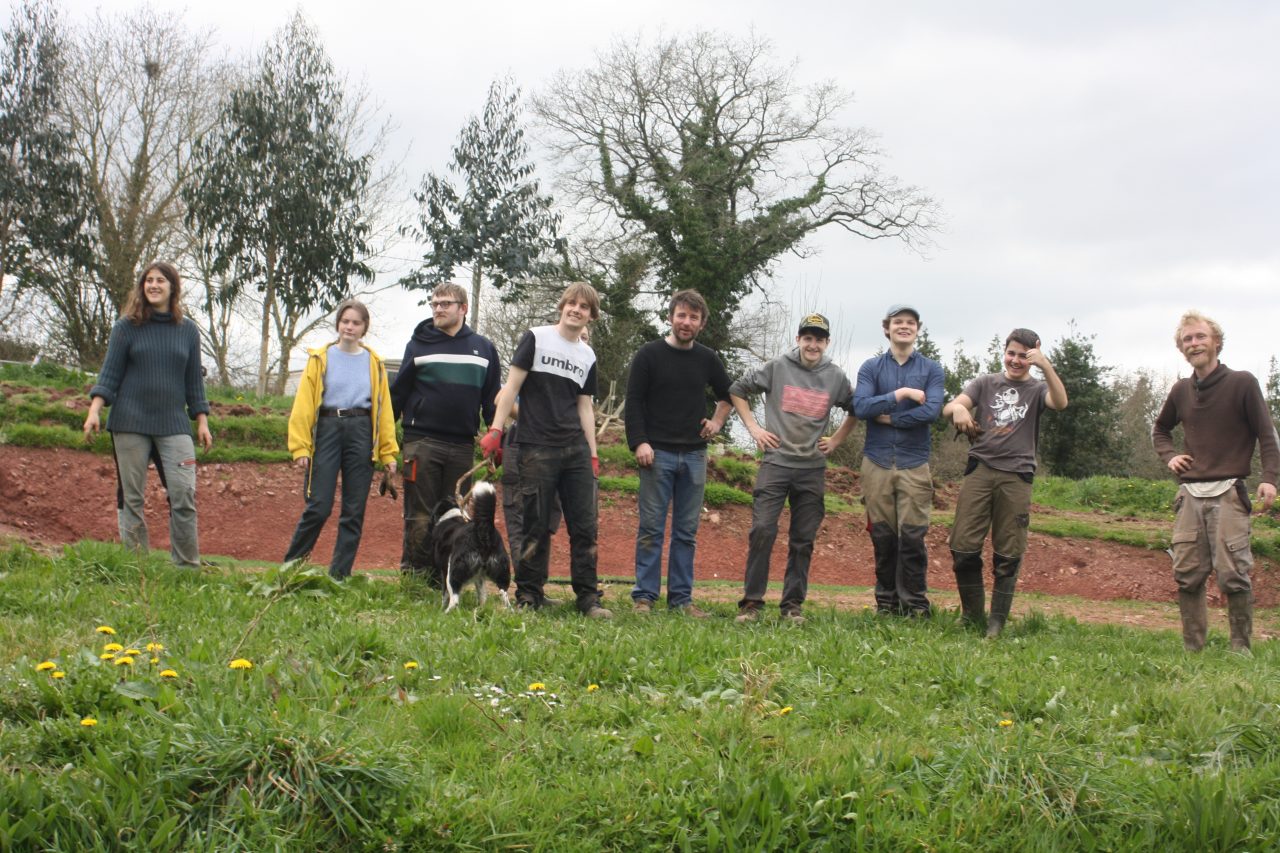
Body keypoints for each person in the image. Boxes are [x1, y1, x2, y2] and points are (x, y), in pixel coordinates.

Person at [480, 282, 611, 619]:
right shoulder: (536, 338)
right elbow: (511, 388)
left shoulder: (587, 355)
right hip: (535, 447)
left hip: (575, 450)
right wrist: (495, 430)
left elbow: (585, 407)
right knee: (534, 523)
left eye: (584, 307)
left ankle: (587, 598)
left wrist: (593, 453)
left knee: (585, 526)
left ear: (591, 316)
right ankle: (529, 594)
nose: (576, 310)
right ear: (562, 306)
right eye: (571, 303)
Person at [1152, 311, 1278, 652]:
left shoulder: (1242, 383)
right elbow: (1160, 429)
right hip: (1189, 495)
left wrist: (1269, 479)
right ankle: (1193, 648)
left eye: (1200, 337)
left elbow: (1267, 435)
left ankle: (1241, 649)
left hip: (1230, 493)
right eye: (1188, 339)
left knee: (1234, 574)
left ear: (1216, 342)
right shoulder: (1180, 390)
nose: (1194, 344)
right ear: (1181, 348)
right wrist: (1169, 456)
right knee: (1187, 574)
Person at [83, 261, 213, 568]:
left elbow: (194, 381)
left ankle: (186, 567)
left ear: (172, 287)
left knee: (184, 493)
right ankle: (136, 566)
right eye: (148, 280)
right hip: (129, 424)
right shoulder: (126, 327)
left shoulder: (188, 331)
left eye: (160, 280)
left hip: (174, 425)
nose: (153, 285)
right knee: (132, 497)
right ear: (143, 287)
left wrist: (202, 421)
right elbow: (109, 375)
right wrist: (94, 411)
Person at [730, 313, 856, 624]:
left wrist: (837, 440)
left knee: (803, 538)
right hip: (776, 463)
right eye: (808, 338)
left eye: (819, 339)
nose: (813, 344)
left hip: (812, 468)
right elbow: (737, 390)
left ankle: (792, 607)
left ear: (826, 343)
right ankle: (752, 604)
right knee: (762, 530)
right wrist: (754, 429)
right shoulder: (777, 367)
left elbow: (856, 408)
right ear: (799, 339)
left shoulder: (836, 377)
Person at [944, 328, 1067, 637]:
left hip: (1017, 476)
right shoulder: (985, 383)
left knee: (1008, 552)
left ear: (1033, 357)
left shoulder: (1038, 389)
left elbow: (1061, 402)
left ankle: (996, 623)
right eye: (1011, 353)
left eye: (1023, 356)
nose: (1015, 360)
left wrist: (1046, 366)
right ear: (1004, 352)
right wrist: (958, 408)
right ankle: (972, 615)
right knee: (963, 547)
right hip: (980, 470)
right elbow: (950, 406)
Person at [625, 289, 732, 616]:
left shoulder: (707, 359)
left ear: (701, 324)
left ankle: (681, 600)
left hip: (695, 455)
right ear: (671, 317)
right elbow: (634, 403)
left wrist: (717, 421)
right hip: (657, 454)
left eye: (694, 317)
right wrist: (639, 442)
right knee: (651, 529)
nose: (687, 322)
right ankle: (644, 597)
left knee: (686, 532)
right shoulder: (648, 355)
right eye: (682, 315)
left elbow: (730, 395)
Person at [390, 282, 501, 583]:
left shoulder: (484, 348)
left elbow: (492, 400)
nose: (437, 308)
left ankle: (445, 578)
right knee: (420, 514)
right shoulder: (419, 345)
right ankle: (414, 575)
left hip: (463, 446)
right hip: (421, 442)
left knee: (456, 514)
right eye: (434, 303)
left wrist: (496, 435)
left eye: (445, 304)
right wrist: (385, 440)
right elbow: (397, 395)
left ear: (462, 308)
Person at [283, 299, 398, 580]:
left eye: (356, 322)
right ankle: (290, 570)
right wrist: (300, 446)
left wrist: (388, 454)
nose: (350, 326)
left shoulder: (375, 363)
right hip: (327, 428)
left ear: (364, 328)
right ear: (338, 324)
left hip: (361, 430)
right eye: (345, 321)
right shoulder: (320, 358)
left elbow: (384, 410)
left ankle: (339, 576)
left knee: (354, 510)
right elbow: (304, 405)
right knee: (319, 505)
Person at [852, 304, 945, 617]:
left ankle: (916, 604)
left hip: (914, 462)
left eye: (910, 322)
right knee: (883, 536)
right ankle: (887, 604)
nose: (904, 327)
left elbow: (931, 412)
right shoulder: (870, 368)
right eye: (897, 322)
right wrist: (902, 393)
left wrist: (890, 419)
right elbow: (861, 407)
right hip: (876, 461)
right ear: (886, 328)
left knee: (913, 537)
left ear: (917, 329)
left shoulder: (932, 369)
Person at [499, 327, 589, 575]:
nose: (579, 342)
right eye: (578, 337)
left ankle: (535, 580)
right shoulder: (539, 355)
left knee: (548, 517)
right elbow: (501, 398)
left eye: (585, 338)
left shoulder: (582, 364)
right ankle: (525, 585)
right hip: (524, 444)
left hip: (564, 449)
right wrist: (538, 416)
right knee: (523, 517)